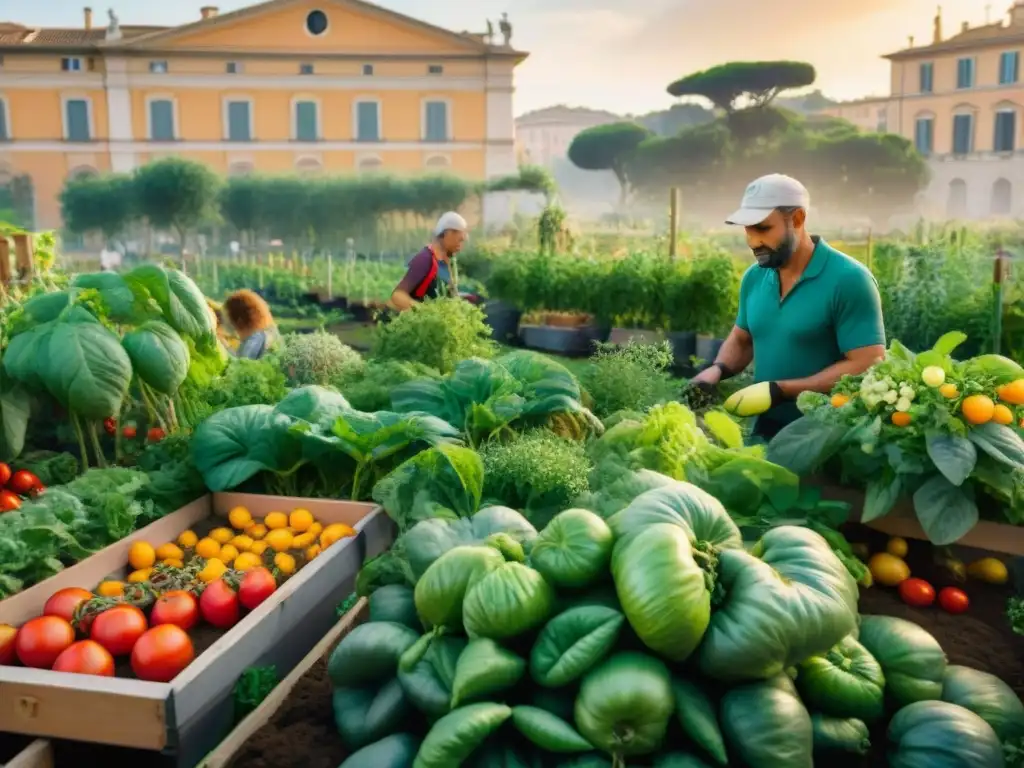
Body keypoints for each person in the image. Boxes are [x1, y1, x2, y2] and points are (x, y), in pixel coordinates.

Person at [690, 173, 886, 440]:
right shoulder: (755, 277)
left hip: (826, 437)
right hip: (763, 430)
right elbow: (743, 339)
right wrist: (717, 370)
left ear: (797, 219)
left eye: (762, 228)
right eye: (747, 229)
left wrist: (783, 389)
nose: (752, 241)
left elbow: (867, 362)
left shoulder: (849, 280)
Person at [389, 211, 468, 311]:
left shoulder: (446, 262)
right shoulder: (425, 259)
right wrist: (426, 313)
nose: (460, 247)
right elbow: (398, 296)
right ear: (448, 233)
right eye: (459, 240)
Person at [223, 289, 280, 360]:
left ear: (240, 320)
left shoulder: (256, 337)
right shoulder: (266, 330)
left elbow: (241, 363)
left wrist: (225, 347)